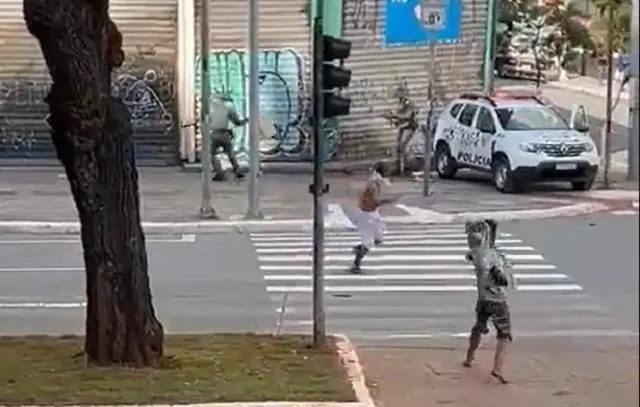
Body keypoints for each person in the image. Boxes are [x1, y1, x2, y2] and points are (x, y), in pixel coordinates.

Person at [462, 219, 515, 384]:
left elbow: (469, 256)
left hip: (483, 299)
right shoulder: (495, 255)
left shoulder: (477, 253)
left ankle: (469, 357)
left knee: (479, 326)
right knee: (504, 335)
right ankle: (497, 369)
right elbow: (504, 279)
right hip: (498, 301)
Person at [349, 162, 397, 274]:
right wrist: (389, 201)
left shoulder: (377, 181)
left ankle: (360, 248)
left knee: (379, 237)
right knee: (368, 242)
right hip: (366, 215)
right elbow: (375, 201)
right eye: (387, 171)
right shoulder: (373, 184)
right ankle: (356, 263)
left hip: (372, 213)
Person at [209, 95, 248, 181]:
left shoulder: (210, 107)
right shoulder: (228, 107)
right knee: (230, 152)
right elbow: (236, 121)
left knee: (211, 154)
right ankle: (237, 171)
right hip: (224, 133)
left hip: (214, 133)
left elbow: (207, 120)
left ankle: (219, 173)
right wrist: (245, 121)